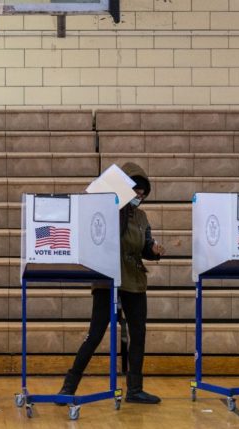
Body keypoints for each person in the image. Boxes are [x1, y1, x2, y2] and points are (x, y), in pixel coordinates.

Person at [58, 162, 165, 404]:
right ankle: (68, 386)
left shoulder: (142, 216)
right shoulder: (108, 212)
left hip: (134, 279)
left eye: (143, 191)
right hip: (107, 278)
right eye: (136, 189)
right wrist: (117, 208)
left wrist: (155, 250)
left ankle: (135, 389)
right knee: (95, 334)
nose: (140, 195)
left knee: (138, 335)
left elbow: (145, 246)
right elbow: (102, 236)